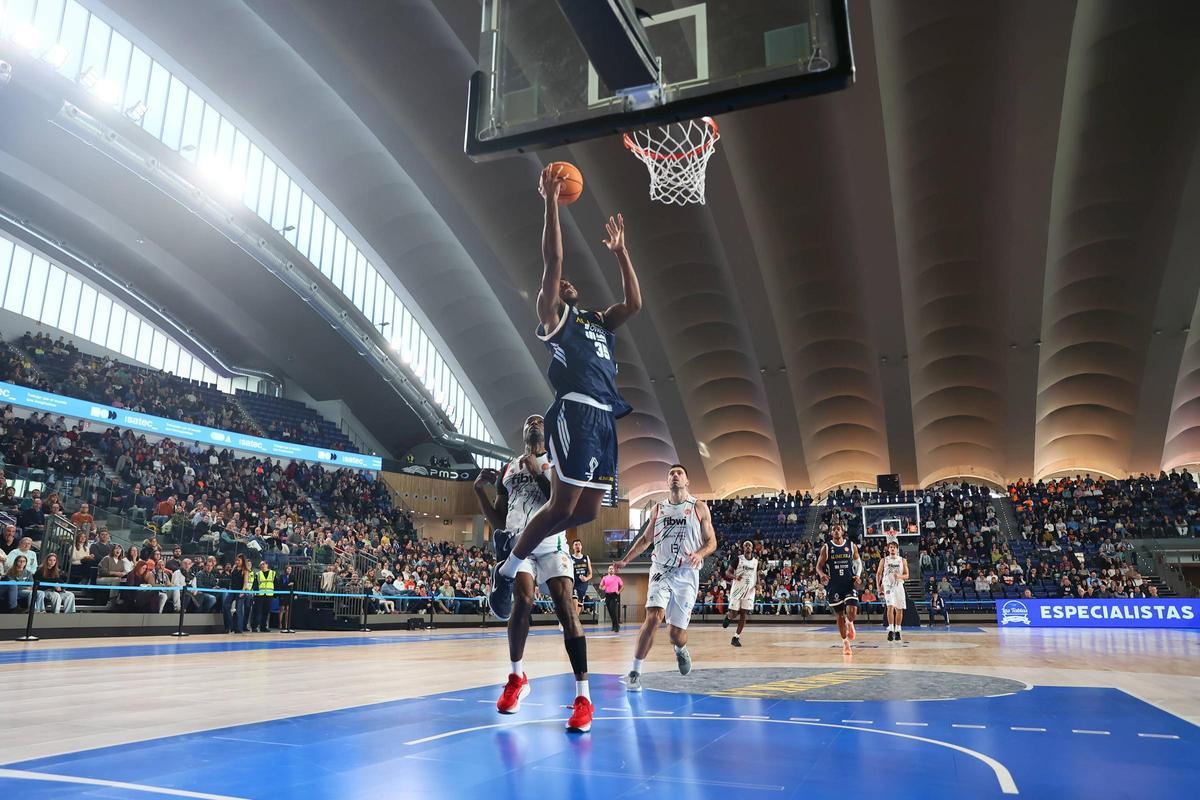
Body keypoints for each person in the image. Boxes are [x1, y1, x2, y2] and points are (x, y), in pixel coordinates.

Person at [490, 164, 642, 625]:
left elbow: (634, 304)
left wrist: (621, 253)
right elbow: (553, 263)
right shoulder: (557, 320)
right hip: (574, 412)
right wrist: (551, 205)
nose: (567, 284)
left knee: (588, 510)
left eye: (571, 286)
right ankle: (510, 566)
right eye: (561, 288)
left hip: (605, 418)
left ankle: (516, 556)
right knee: (561, 505)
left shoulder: (597, 320)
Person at [474, 413, 593, 733]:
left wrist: (537, 470)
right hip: (519, 545)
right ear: (523, 432)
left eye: (538, 421)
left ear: (547, 430)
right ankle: (516, 677)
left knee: (566, 607)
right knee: (522, 600)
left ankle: (584, 698)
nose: (532, 423)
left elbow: (562, 502)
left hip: (552, 544)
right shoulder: (508, 468)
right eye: (527, 422)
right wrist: (478, 492)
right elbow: (499, 519)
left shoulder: (557, 462)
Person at [616, 464, 716, 690]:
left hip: (686, 573)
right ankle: (635, 671)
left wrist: (700, 554)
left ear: (687, 481)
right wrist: (625, 560)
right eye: (671, 473)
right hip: (661, 569)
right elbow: (644, 540)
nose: (675, 476)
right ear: (667, 481)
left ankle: (680, 649)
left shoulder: (699, 507)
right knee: (653, 616)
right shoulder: (658, 509)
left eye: (680, 473)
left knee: (675, 634)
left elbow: (712, 542)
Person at [816, 523, 862, 655]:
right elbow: (818, 566)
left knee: (852, 611)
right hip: (834, 585)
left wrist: (858, 575)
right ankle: (846, 643)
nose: (836, 531)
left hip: (849, 582)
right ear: (831, 533)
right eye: (834, 530)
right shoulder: (827, 548)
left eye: (838, 529)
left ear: (842, 531)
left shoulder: (851, 546)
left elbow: (858, 562)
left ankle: (850, 622)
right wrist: (822, 574)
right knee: (840, 615)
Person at [722, 540, 759, 647]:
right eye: (745, 545)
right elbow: (727, 572)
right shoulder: (738, 559)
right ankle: (728, 617)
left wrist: (759, 584)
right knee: (734, 614)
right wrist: (735, 577)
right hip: (737, 590)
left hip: (749, 591)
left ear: (752, 548)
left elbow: (756, 574)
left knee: (743, 614)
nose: (748, 547)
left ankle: (736, 637)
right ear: (743, 548)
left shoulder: (756, 562)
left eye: (749, 545)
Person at [877, 540, 909, 641]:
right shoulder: (884, 560)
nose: (892, 549)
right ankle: (891, 629)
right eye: (890, 547)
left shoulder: (902, 560)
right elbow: (878, 573)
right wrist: (878, 586)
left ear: (897, 549)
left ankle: (898, 630)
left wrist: (898, 576)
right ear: (888, 549)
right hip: (888, 585)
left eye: (894, 547)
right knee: (890, 606)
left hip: (898, 585)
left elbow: (907, 575)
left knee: (899, 609)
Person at [570, 539, 593, 615]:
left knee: (580, 602)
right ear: (573, 547)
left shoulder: (586, 558)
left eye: (579, 544)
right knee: (574, 598)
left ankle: (575, 619)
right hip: (574, 582)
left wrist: (586, 578)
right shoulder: (570, 558)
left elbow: (591, 574)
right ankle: (573, 618)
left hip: (583, 584)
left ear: (581, 546)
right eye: (576, 545)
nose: (577, 546)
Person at [252, 560, 276, 632]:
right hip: (260, 595)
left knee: (266, 612)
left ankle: (263, 627)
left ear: (267, 565)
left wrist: (275, 594)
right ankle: (254, 627)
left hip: (269, 595)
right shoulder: (258, 574)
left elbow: (276, 583)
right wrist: (256, 592)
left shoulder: (273, 573)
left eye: (263, 564)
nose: (262, 566)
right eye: (261, 565)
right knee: (258, 612)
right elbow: (255, 584)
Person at [599, 565, 623, 632]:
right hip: (607, 595)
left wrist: (619, 591)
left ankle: (617, 626)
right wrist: (602, 588)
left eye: (612, 569)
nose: (611, 570)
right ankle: (614, 625)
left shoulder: (617, 578)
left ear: (614, 570)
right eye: (610, 569)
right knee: (610, 611)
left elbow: (622, 586)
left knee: (613, 610)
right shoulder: (604, 578)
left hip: (614, 595)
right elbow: (600, 586)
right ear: (608, 570)